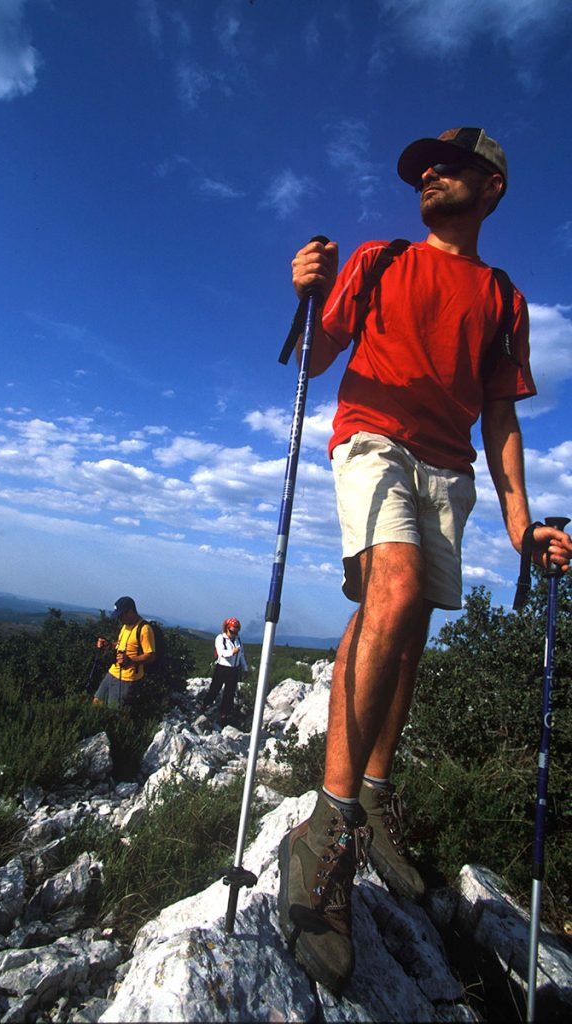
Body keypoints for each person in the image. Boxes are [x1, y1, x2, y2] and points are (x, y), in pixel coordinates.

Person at [277, 126, 572, 994]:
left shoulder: (502, 297)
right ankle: (325, 834)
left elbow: (501, 418)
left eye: (450, 166)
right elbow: (318, 353)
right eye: (424, 168)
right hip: (371, 438)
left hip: (451, 468)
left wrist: (522, 526)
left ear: (492, 188)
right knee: (395, 595)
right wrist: (308, 292)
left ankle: (373, 793)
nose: (430, 173)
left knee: (406, 635)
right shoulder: (378, 259)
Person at [93, 596, 156, 708]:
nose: (119, 618)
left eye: (121, 615)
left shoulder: (145, 629)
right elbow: (122, 644)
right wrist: (108, 645)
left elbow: (150, 656)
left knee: (114, 711)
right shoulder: (125, 625)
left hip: (127, 678)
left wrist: (130, 660)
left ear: (130, 612)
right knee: (97, 701)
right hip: (113, 672)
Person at [202, 617, 248, 725]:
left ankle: (224, 715)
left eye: (237, 629)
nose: (235, 632)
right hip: (222, 668)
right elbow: (221, 652)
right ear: (227, 628)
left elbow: (241, 655)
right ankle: (205, 705)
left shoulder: (238, 640)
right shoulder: (220, 638)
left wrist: (245, 668)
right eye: (233, 629)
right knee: (215, 688)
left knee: (230, 693)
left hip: (234, 670)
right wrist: (233, 652)